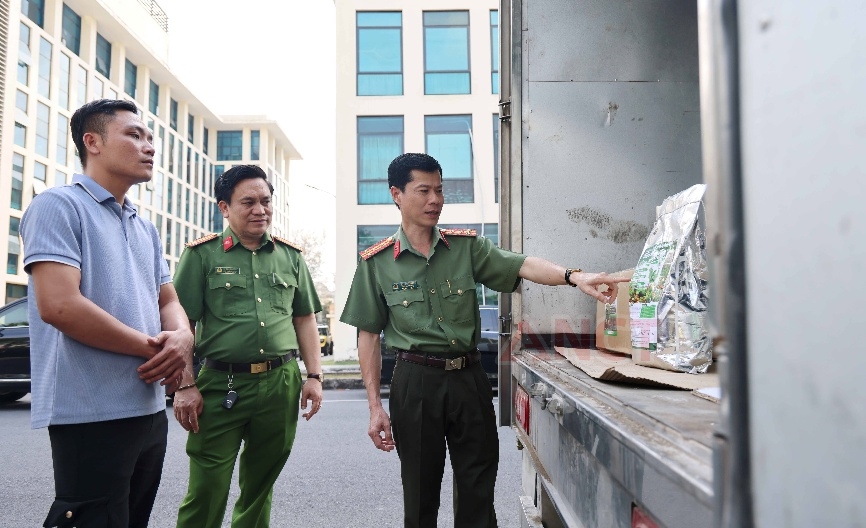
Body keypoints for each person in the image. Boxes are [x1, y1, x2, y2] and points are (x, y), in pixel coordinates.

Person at [340, 153, 628, 528]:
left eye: (440, 190)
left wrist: (574, 276)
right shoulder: (376, 263)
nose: (435, 200)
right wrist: (374, 406)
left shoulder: (465, 248)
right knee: (420, 493)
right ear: (397, 194)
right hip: (415, 382)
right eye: (423, 191)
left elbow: (520, 264)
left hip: (468, 379)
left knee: (478, 488)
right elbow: (368, 336)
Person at [20, 98, 193, 527]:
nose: (148, 146)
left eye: (150, 137)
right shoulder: (59, 205)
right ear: (91, 142)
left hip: (148, 408)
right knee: (90, 519)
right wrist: (156, 349)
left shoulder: (143, 224)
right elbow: (60, 306)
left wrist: (183, 338)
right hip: (90, 409)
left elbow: (167, 300)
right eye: (134, 135)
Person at [172, 164, 324, 528]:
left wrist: (314, 375)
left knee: (260, 483)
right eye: (249, 202)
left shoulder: (291, 257)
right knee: (208, 484)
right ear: (224, 208)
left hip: (280, 381)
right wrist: (184, 384)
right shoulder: (202, 255)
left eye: (266, 201)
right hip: (220, 384)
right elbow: (180, 325)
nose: (260, 210)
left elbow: (304, 319)